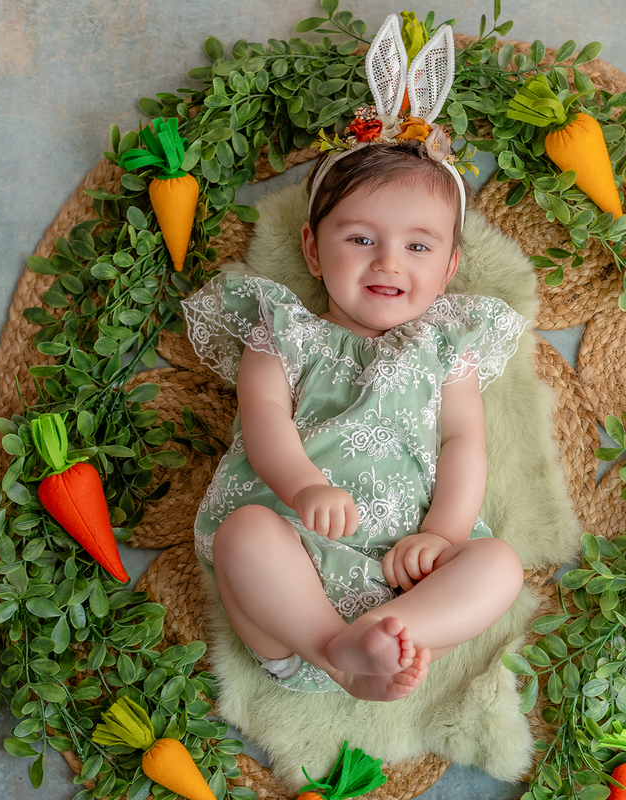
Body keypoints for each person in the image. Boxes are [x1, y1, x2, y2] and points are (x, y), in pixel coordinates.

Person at [182, 139, 528, 702]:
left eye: (418, 245)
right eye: (361, 239)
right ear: (313, 251)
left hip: (409, 582)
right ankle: (334, 653)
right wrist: (304, 485)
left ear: (449, 268)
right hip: (293, 569)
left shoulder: (446, 347)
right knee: (241, 535)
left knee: (499, 565)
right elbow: (263, 417)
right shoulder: (283, 334)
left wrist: (442, 534)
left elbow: (465, 442)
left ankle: (387, 637)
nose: (387, 261)